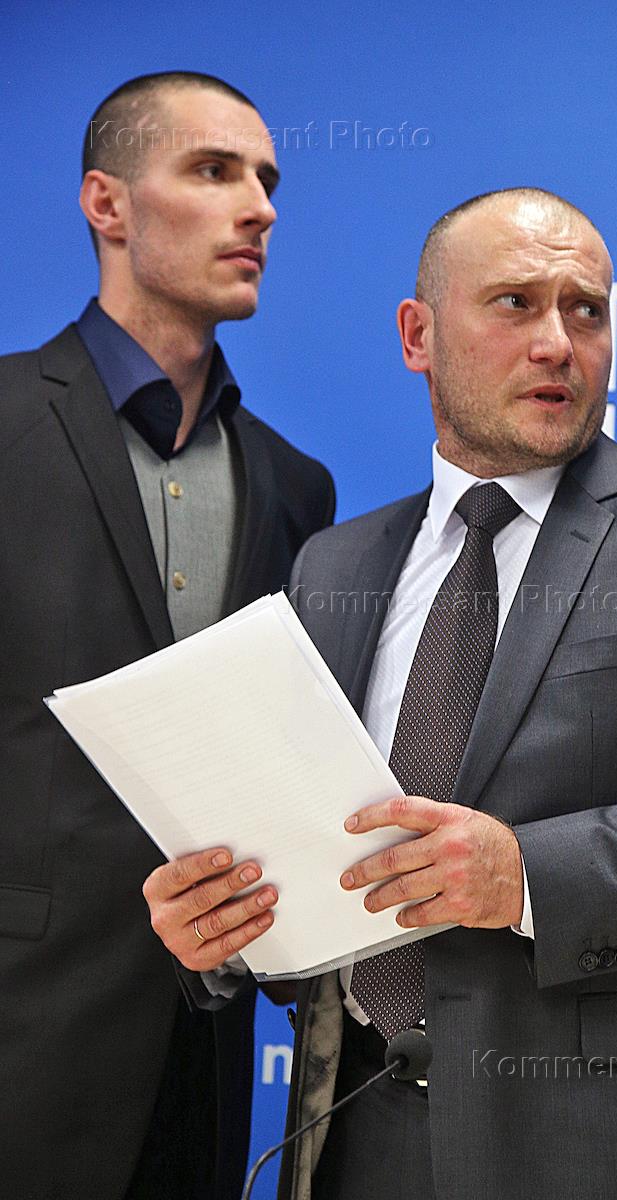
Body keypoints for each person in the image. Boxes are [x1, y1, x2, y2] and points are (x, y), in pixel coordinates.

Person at [143, 188, 617, 1200]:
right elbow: (323, 856)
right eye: (514, 304)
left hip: (602, 1157)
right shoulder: (336, 562)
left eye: (586, 311)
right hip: (352, 1140)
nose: (557, 344)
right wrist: (228, 934)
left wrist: (529, 876)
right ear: (418, 335)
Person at [0, 72, 334, 1200]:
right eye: (213, 171)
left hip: (204, 1054)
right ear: (108, 204)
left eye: (267, 180)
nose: (260, 208)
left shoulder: (297, 485)